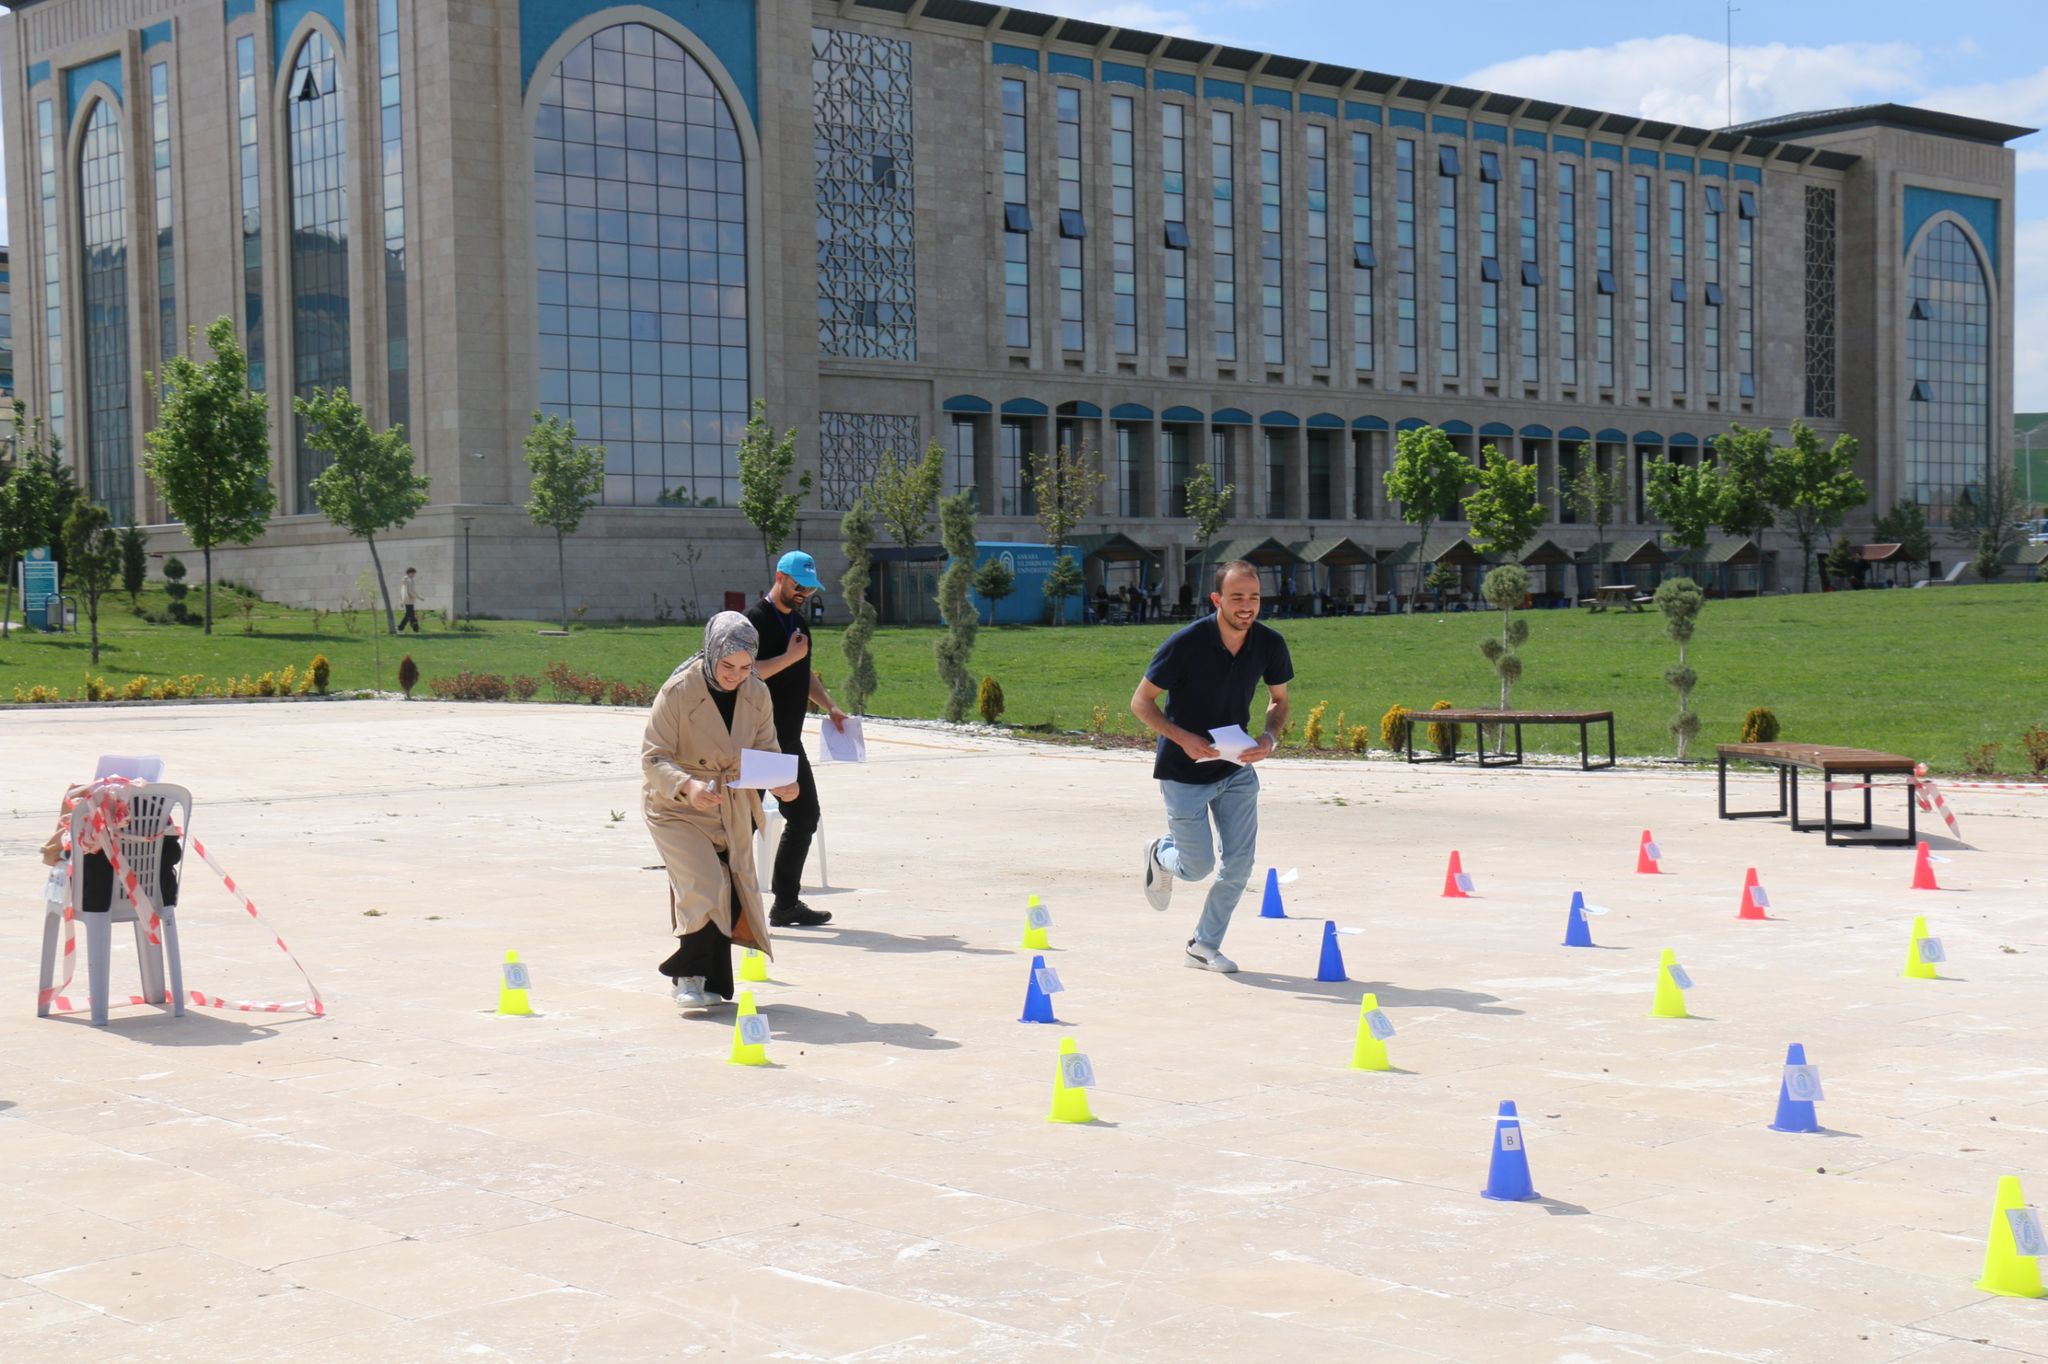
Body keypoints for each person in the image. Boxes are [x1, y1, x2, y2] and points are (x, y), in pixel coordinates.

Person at [1130, 560, 1292, 973]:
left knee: (1238, 866)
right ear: (1217, 599)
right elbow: (1140, 703)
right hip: (1184, 773)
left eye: (1254, 597)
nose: (1247, 606)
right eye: (1237, 597)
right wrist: (1183, 738)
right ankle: (1162, 853)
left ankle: (1203, 945)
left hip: (1236, 768)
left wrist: (1269, 738)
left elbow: (1279, 700)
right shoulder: (1186, 643)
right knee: (1196, 867)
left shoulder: (1270, 644)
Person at [642, 612, 800, 1011]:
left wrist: (784, 784)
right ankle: (687, 977)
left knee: (729, 891)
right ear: (711, 653)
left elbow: (767, 749)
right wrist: (688, 786)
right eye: (727, 666)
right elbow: (653, 757)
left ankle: (708, 980)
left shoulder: (757, 693)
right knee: (704, 883)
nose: (735, 675)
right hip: (675, 806)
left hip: (731, 802)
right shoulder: (678, 691)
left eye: (746, 667)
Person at [744, 550, 849, 928]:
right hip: (755, 740)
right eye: (798, 584)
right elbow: (745, 672)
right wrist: (789, 657)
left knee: (804, 817)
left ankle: (785, 903)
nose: (804, 592)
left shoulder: (801, 624)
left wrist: (831, 707)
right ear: (780, 577)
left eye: (810, 587)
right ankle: (724, 903)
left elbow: (803, 674)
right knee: (745, 825)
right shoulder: (752, 622)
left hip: (788, 740)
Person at [398, 568, 421, 633]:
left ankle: (415, 630)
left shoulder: (405, 580)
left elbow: (402, 591)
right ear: (409, 573)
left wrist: (402, 600)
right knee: (409, 616)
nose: (414, 575)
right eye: (413, 573)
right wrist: (418, 597)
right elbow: (411, 591)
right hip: (409, 600)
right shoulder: (409, 580)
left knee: (410, 615)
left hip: (406, 600)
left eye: (414, 573)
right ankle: (400, 628)